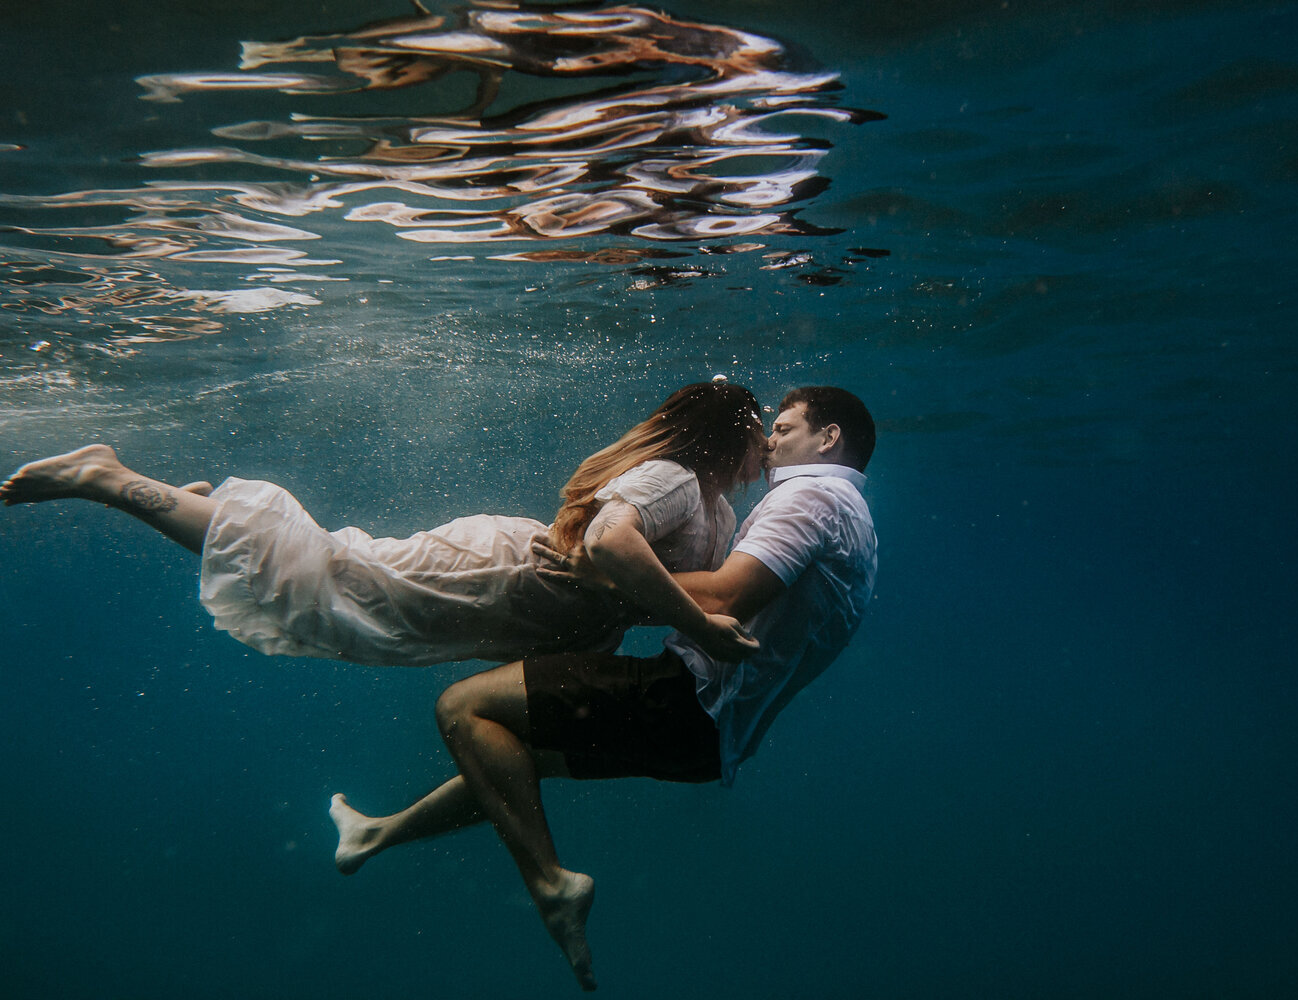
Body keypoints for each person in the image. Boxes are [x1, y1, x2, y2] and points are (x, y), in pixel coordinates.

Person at [327, 386, 878, 991]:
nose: (770, 439)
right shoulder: (854, 515)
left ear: (828, 438)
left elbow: (723, 596)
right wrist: (630, 592)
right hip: (712, 739)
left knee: (464, 708)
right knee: (508, 763)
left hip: (686, 696)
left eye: (785, 426)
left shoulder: (810, 497)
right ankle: (378, 834)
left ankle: (551, 885)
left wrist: (609, 577)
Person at [0, 382, 765, 665]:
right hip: (504, 572)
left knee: (331, 585)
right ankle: (110, 478)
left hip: (539, 613)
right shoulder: (675, 478)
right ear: (727, 437)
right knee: (324, 574)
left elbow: (674, 586)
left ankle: (180, 498)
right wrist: (698, 630)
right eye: (763, 430)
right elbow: (607, 541)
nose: (769, 445)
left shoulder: (721, 509)